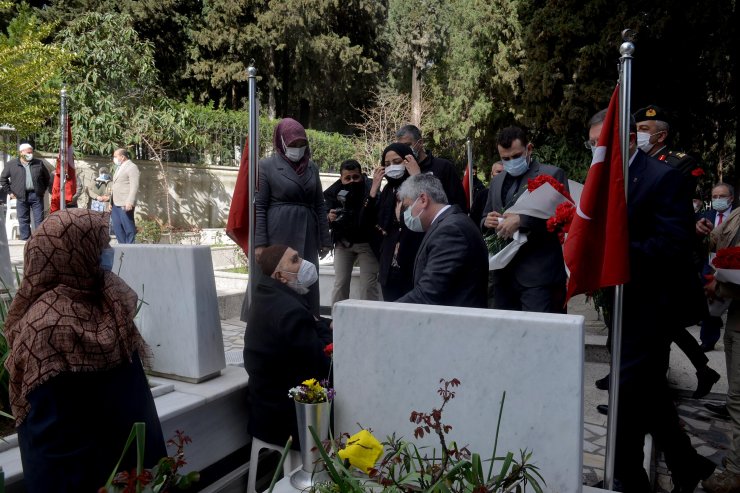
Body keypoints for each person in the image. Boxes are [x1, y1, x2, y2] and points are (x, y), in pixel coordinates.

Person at [587, 110, 715, 492]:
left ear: (629, 140)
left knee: (626, 391)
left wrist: (616, 248)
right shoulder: (602, 178)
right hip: (622, 298)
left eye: (603, 143)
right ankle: (686, 463)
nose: (597, 150)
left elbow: (676, 244)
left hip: (654, 302)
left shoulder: (663, 177)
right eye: (592, 144)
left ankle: (629, 478)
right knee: (651, 392)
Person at [3, 209, 166, 492]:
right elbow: (51, 434)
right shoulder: (48, 327)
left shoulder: (107, 300)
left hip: (130, 466)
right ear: (74, 252)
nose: (109, 251)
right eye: (101, 245)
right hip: (78, 477)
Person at [243, 244, 332, 451]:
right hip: (284, 418)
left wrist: (320, 323)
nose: (303, 263)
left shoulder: (268, 295)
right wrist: (325, 328)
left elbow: (309, 323)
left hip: (264, 408)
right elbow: (322, 360)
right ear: (281, 277)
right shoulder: (289, 310)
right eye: (295, 260)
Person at [481, 126, 569, 313]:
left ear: (529, 149)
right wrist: (486, 221)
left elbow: (562, 220)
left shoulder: (552, 175)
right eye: (505, 159)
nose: (511, 162)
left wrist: (522, 220)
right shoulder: (497, 180)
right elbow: (485, 214)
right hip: (503, 274)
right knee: (507, 335)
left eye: (516, 156)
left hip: (538, 276)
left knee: (538, 335)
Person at [250, 118, 332, 317]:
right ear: (281, 142)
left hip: (308, 232)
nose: (298, 148)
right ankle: (276, 325)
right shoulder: (266, 166)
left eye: (302, 144)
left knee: (307, 279)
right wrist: (260, 243)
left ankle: (308, 325)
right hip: (278, 232)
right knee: (280, 280)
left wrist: (325, 239)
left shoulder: (312, 168)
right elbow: (260, 206)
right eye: (293, 144)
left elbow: (320, 205)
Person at [395, 174, 488, 307]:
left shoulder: (450, 230)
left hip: (456, 322)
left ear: (423, 200)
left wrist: (387, 311)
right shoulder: (448, 223)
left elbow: (428, 292)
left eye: (407, 206)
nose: (406, 214)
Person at [702, 208, 740, 493]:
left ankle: (736, 471)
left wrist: (723, 283)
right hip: (735, 314)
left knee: (739, 397)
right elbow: (719, 239)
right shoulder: (737, 212)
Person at [365, 142, 425, 301]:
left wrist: (417, 178)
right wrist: (373, 190)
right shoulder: (387, 190)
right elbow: (365, 222)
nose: (392, 167)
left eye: (397, 162)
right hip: (390, 265)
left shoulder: (422, 184)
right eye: (387, 164)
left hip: (414, 263)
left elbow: (430, 211)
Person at [324, 159, 381, 304]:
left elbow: (377, 212)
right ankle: (336, 322)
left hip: (367, 242)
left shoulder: (371, 188)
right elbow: (323, 214)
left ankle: (369, 322)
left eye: (355, 177)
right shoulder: (333, 192)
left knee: (368, 286)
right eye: (347, 178)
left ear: (361, 175)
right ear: (341, 178)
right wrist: (329, 217)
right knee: (340, 283)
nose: (352, 181)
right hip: (343, 242)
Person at [696, 182, 735, 351]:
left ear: (731, 198)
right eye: (715, 197)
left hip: (733, 266)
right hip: (709, 266)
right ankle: (708, 339)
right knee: (710, 303)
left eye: (722, 196)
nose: (718, 199)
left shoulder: (736, 216)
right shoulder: (705, 216)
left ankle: (733, 338)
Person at [395, 124, 468, 212]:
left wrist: (417, 177)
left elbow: (458, 203)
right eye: (400, 147)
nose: (404, 150)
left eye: (407, 145)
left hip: (441, 222)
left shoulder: (443, 167)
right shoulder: (402, 170)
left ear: (420, 143)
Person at [0, 143, 52, 240]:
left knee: (39, 219)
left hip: (36, 195)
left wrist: (42, 190)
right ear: (21, 153)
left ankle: (39, 240)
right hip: (21, 196)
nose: (30, 154)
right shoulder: (12, 164)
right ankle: (25, 240)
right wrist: (10, 192)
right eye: (28, 152)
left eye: (31, 152)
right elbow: (3, 179)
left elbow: (47, 178)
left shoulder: (38, 163)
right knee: (23, 219)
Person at [110, 148, 140, 244]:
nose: (114, 158)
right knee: (118, 228)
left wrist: (130, 201)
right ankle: (122, 249)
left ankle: (130, 249)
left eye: (115, 156)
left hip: (125, 203)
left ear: (122, 157)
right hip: (115, 203)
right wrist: (110, 202)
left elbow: (134, 185)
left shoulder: (132, 167)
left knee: (128, 227)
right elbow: (115, 185)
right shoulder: (119, 168)